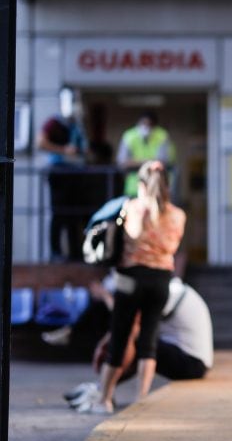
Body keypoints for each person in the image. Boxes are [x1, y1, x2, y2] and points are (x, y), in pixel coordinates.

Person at [81, 160, 186, 414]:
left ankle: (104, 399)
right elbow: (173, 247)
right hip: (161, 280)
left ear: (141, 183)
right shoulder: (178, 214)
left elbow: (108, 228)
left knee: (120, 337)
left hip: (130, 279)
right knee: (149, 340)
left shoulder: (131, 208)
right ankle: (141, 399)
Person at [65, 277, 214, 412]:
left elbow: (130, 325)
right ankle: (104, 389)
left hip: (192, 364)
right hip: (192, 359)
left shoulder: (167, 292)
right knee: (131, 335)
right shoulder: (168, 287)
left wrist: (105, 297)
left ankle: (107, 391)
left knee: (135, 339)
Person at [37, 86, 88, 261]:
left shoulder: (77, 125)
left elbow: (84, 149)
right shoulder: (54, 123)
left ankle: (75, 253)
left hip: (76, 173)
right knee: (59, 213)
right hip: (59, 172)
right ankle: (55, 252)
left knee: (74, 215)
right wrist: (63, 150)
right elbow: (41, 143)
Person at [116, 112, 176, 197]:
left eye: (149, 124)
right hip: (134, 188)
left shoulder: (162, 136)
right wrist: (150, 162)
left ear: (154, 126)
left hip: (157, 188)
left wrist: (134, 163)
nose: (145, 127)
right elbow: (122, 162)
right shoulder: (129, 136)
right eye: (143, 123)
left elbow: (163, 161)